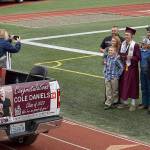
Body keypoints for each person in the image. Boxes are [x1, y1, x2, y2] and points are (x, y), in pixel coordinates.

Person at [118, 27, 141, 111]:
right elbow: (120, 53)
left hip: (132, 68)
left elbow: (138, 57)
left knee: (132, 85)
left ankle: (133, 104)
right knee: (124, 84)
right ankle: (125, 102)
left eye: (128, 35)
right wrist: (121, 56)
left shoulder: (135, 45)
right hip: (124, 67)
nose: (126, 36)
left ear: (132, 36)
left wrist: (131, 57)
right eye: (125, 35)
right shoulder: (123, 44)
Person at [103, 36, 124, 109]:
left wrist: (117, 75)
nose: (110, 52)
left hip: (114, 77)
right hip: (107, 76)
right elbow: (105, 65)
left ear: (115, 52)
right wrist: (105, 72)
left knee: (115, 90)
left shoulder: (116, 59)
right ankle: (108, 103)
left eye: (111, 51)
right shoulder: (108, 58)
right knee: (108, 90)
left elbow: (121, 67)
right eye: (109, 51)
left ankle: (115, 102)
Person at [138, 26, 150, 113]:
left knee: (149, 88)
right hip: (143, 71)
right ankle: (144, 103)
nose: (143, 45)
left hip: (149, 72)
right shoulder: (141, 50)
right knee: (143, 87)